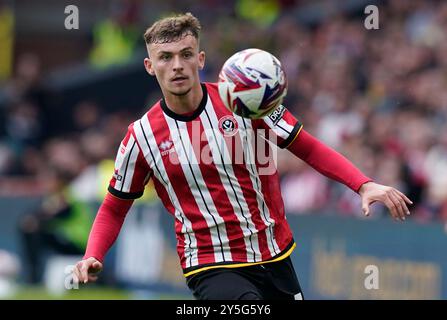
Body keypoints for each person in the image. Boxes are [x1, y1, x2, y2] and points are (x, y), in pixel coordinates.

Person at [73, 12, 413, 300]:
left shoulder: (246, 98)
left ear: (200, 59)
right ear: (150, 66)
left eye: (186, 54)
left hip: (275, 252)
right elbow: (115, 205)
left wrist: (363, 185)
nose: (177, 66)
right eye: (166, 57)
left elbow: (304, 145)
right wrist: (92, 254)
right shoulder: (142, 136)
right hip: (210, 263)